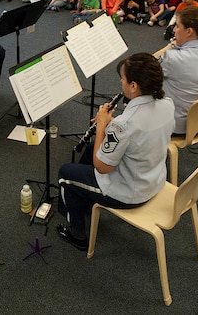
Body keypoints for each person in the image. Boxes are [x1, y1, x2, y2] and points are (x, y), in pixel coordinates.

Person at [56, 53, 175, 250]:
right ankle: (84, 197)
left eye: (123, 78)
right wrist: (109, 127)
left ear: (134, 86)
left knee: (66, 174)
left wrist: (103, 125)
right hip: (154, 178)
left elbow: (101, 167)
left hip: (129, 193)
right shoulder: (167, 105)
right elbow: (142, 134)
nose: (121, 82)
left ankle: (77, 234)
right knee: (89, 150)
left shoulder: (123, 125)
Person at [154, 6, 198, 135]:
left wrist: (171, 45)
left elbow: (144, 66)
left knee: (136, 86)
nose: (175, 30)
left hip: (174, 127)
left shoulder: (172, 58)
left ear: (189, 31)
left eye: (177, 26)